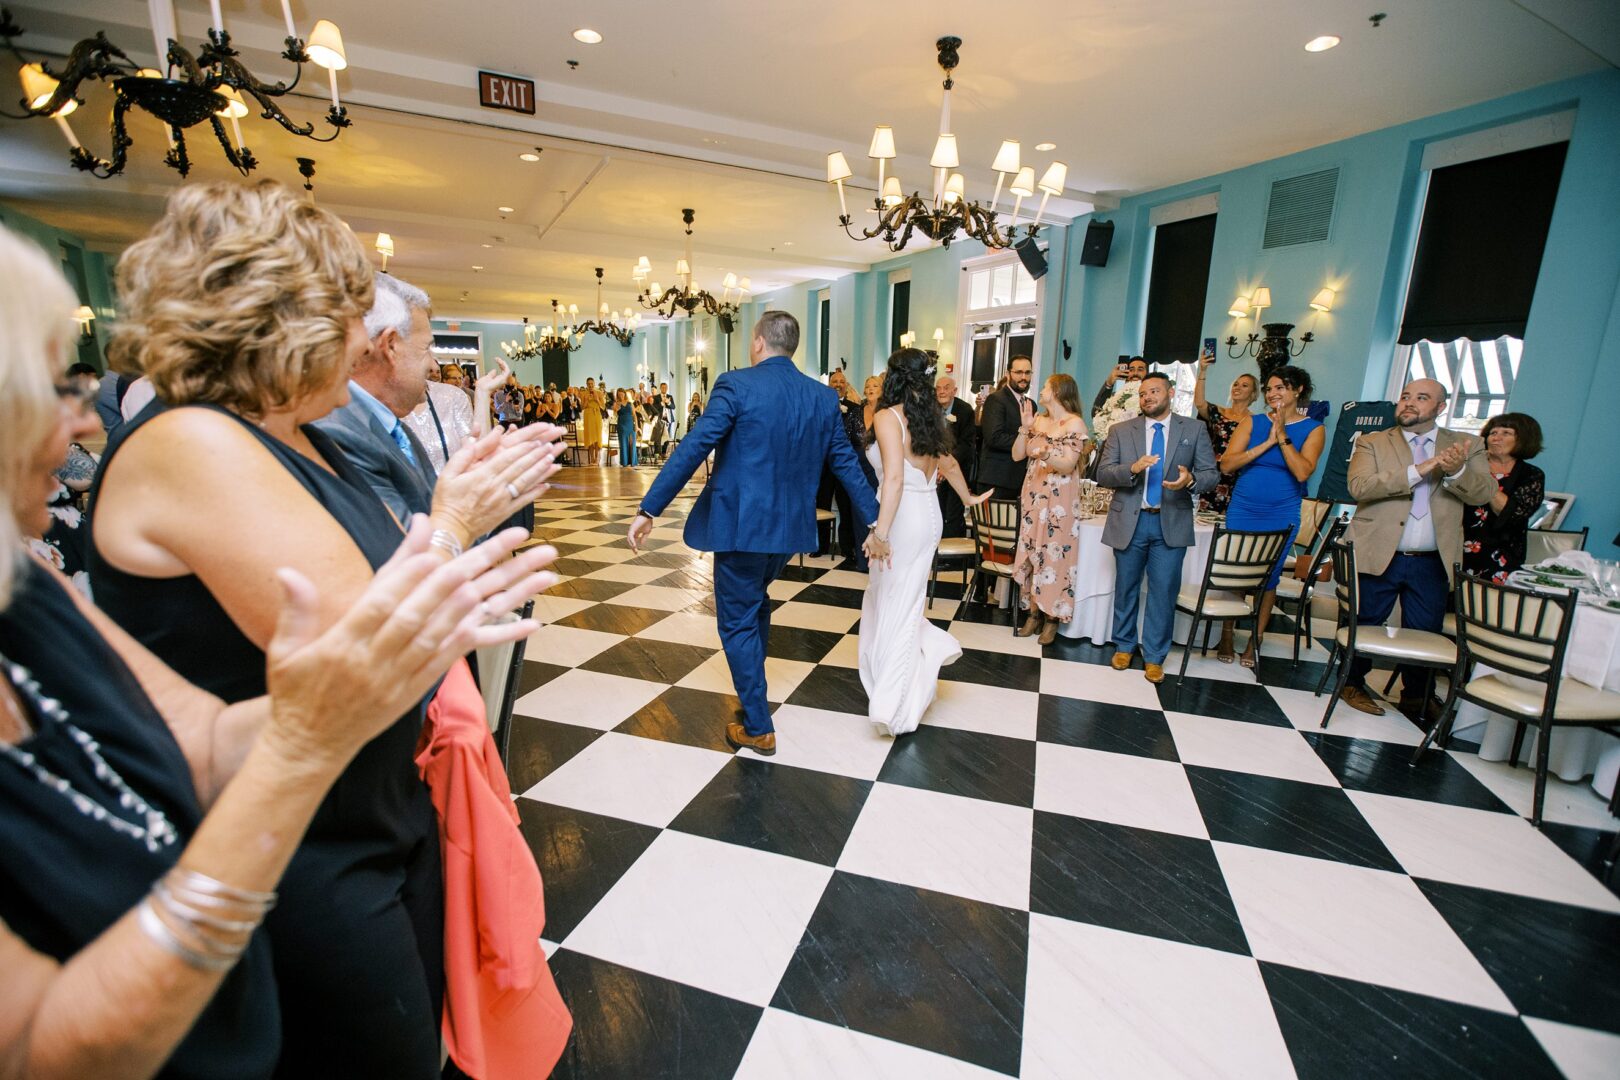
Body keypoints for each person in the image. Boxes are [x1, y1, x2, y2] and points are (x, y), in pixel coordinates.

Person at [0, 222, 555, 1080]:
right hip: (303, 850)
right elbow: (350, 635)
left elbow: (221, 731)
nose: (79, 419)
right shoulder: (193, 443)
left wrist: (435, 563)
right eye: (348, 312)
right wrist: (447, 537)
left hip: (366, 807)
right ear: (287, 325)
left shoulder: (313, 437)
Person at [627, 312, 877, 755]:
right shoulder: (821, 397)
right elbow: (846, 462)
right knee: (757, 603)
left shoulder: (737, 384)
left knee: (737, 619)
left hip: (742, 528)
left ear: (759, 342)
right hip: (788, 532)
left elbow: (695, 445)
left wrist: (650, 507)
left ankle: (759, 726)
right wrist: (876, 519)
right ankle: (752, 696)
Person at [1340, 378, 1496, 719]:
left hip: (1432, 559)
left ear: (1440, 407)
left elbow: (1483, 493)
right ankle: (1349, 683)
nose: (1409, 403)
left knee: (1425, 631)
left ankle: (1417, 696)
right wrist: (1419, 469)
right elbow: (1360, 487)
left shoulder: (1467, 445)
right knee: (1364, 620)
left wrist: (1456, 473)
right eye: (1406, 396)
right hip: (1378, 552)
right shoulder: (1373, 442)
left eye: (1422, 398)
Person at [859, 349, 991, 737]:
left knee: (895, 602)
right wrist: (966, 499)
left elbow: (895, 479)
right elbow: (947, 464)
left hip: (902, 518)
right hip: (927, 514)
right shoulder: (929, 416)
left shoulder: (888, 416)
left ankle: (894, 704)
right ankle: (910, 676)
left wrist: (880, 533)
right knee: (903, 600)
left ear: (893, 376)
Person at [1096, 372, 1219, 683]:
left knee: (1164, 591)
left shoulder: (1193, 429)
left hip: (1171, 521)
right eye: (1142, 394)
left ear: (1171, 392)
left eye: (1153, 391)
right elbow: (1104, 473)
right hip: (1130, 522)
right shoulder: (1122, 430)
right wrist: (1132, 469)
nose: (1147, 397)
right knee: (1126, 587)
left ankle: (1154, 656)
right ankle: (1124, 645)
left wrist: (1190, 480)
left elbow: (1211, 475)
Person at [1216, 366, 1326, 666]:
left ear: (1298, 390)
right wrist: (1265, 442)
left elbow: (1303, 470)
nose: (1273, 393)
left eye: (1281, 388)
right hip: (1244, 506)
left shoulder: (1314, 428)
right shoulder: (1251, 422)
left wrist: (1282, 437)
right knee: (1236, 569)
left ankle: (1256, 637)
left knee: (1269, 576)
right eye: (1270, 388)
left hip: (1281, 511)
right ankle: (1227, 631)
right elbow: (1227, 464)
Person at [1010, 374, 1091, 644]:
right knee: (1033, 550)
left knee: (1055, 556)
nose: (1041, 389)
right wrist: (1025, 428)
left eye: (1045, 385)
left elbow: (1068, 465)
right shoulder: (1039, 420)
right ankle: (1032, 612)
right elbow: (1017, 455)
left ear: (1057, 391)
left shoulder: (1074, 422)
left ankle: (1051, 618)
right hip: (1033, 495)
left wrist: (1046, 453)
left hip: (1060, 501)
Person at [1464, 412, 1546, 582]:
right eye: (1493, 433)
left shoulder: (1531, 474)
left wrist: (1484, 474)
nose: (1496, 438)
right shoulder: (1468, 466)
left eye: (1506, 433)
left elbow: (1510, 513)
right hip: (1459, 548)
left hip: (1502, 555)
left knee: (1491, 606)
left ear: (1523, 439)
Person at [817, 369, 875, 562]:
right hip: (824, 463)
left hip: (846, 463)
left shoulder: (854, 407)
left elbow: (855, 436)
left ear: (846, 385)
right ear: (829, 385)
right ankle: (821, 546)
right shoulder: (821, 405)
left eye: (842, 382)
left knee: (846, 505)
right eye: (835, 382)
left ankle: (847, 547)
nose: (838, 385)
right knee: (822, 503)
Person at [1193, 353, 1258, 514]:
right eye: (1236, 384)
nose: (1238, 387)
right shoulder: (1219, 412)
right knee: (1205, 518)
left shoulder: (1255, 421)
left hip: (1238, 475)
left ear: (1253, 393)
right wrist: (1203, 371)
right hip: (1212, 473)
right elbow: (1200, 403)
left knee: (1229, 520)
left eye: (1244, 385)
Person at [977, 354, 1035, 501]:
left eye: (1027, 373)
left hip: (1022, 479)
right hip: (997, 478)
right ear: (1008, 374)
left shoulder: (1030, 404)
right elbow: (994, 437)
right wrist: (1028, 443)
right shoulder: (996, 399)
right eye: (1019, 372)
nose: (1024, 377)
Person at [935, 375, 979, 539]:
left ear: (954, 390)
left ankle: (951, 554)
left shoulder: (965, 410)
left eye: (946, 388)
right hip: (934, 467)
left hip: (957, 466)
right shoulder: (930, 409)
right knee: (936, 509)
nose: (941, 391)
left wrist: (947, 466)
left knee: (953, 512)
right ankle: (935, 551)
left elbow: (966, 444)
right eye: (938, 388)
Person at [1091, 355, 1148, 448]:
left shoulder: (1149, 400)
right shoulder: (1116, 397)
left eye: (1140, 369)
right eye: (1131, 369)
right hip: (1111, 448)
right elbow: (1095, 413)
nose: (1135, 373)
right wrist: (1109, 383)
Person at [579, 378, 606, 458]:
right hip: (588, 415)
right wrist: (586, 400)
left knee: (597, 436)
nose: (590, 385)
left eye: (592, 383)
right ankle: (592, 458)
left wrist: (597, 399)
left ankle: (597, 458)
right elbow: (582, 407)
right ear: (586, 384)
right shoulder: (583, 393)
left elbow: (603, 407)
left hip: (597, 414)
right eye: (588, 384)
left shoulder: (599, 393)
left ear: (594, 384)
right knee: (589, 436)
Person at [614, 389, 639, 467]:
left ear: (625, 394)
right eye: (619, 395)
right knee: (623, 443)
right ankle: (624, 462)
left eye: (622, 394)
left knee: (632, 442)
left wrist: (636, 426)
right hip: (621, 424)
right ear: (617, 395)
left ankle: (633, 462)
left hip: (631, 424)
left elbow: (634, 415)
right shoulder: (616, 404)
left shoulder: (630, 403)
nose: (621, 396)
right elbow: (614, 414)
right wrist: (616, 407)